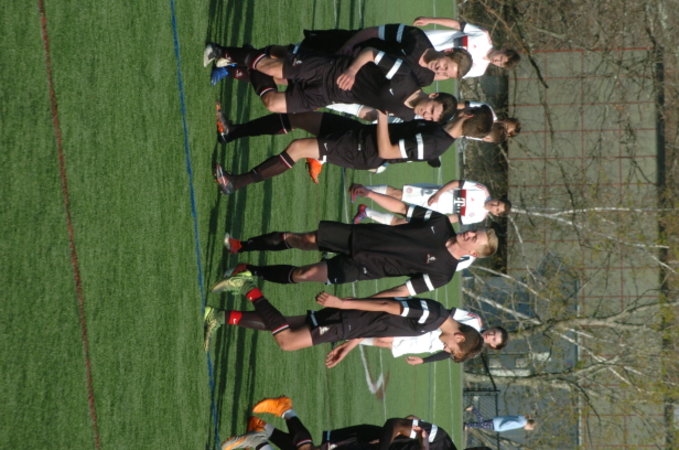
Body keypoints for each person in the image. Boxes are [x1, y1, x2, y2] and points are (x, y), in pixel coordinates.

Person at [216, 199, 498, 297]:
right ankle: (242, 245)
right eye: (475, 230)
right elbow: (403, 208)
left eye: (476, 238)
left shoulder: (443, 273)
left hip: (363, 268)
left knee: (304, 274)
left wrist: (373, 301)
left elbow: (403, 290)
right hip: (360, 236)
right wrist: (370, 193)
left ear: (474, 253)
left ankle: (249, 270)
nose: (470, 232)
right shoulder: (440, 223)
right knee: (301, 239)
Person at [212, 106, 491, 192]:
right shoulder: (440, 128)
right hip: (360, 134)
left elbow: (387, 152)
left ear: (467, 116)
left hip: (361, 150)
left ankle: (235, 182)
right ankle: (231, 132)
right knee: (300, 117)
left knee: (298, 148)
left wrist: (383, 116)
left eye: (469, 108)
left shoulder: (434, 143)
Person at [203, 282, 483, 364]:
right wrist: (344, 304)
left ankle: (218, 316)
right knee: (287, 341)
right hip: (348, 321)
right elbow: (387, 306)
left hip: (352, 324)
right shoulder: (433, 317)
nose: (445, 350)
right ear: (459, 337)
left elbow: (389, 306)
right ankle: (248, 287)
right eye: (452, 350)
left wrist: (351, 343)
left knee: (286, 324)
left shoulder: (436, 316)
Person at [204, 42, 470, 121]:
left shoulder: (407, 115)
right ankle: (220, 51)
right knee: (271, 68)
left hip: (329, 95)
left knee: (272, 102)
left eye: (431, 118)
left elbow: (376, 109)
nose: (426, 115)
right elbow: (371, 53)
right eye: (431, 110)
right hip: (330, 70)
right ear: (433, 95)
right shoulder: (405, 76)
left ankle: (244, 58)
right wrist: (352, 71)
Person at [221, 396, 474, 450]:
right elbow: (397, 423)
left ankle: (262, 430)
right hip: (363, 442)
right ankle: (283, 412)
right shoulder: (438, 439)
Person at [323, 308, 508, 367]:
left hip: (425, 345)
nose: (491, 336)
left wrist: (424, 360)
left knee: (382, 342)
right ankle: (346, 331)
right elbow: (449, 314)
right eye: (494, 333)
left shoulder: (473, 351)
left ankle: (346, 334)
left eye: (494, 340)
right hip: (427, 330)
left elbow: (448, 354)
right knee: (384, 335)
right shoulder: (475, 320)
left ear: (492, 347)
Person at [350, 181, 511, 226]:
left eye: (497, 209)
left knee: (402, 221)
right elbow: (456, 183)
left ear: (496, 214)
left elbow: (454, 218)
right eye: (497, 203)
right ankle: (361, 189)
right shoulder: (482, 190)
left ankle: (366, 212)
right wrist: (438, 194)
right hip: (431, 194)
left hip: (433, 211)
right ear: (497, 199)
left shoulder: (479, 217)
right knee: (397, 194)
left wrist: (434, 222)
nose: (494, 206)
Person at [411, 17, 520, 78]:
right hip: (423, 40)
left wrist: (422, 77)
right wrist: (430, 20)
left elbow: (447, 74)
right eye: (501, 58)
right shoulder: (482, 36)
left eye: (500, 64)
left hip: (422, 63)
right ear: (503, 50)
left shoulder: (479, 70)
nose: (497, 61)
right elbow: (457, 25)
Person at [464, 406, 536, 433]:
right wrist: (502, 427)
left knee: (482, 424)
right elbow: (510, 423)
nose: (528, 429)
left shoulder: (522, 418)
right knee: (482, 424)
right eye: (529, 429)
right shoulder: (521, 424)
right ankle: (473, 409)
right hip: (497, 424)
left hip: (497, 421)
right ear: (529, 425)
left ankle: (468, 425)